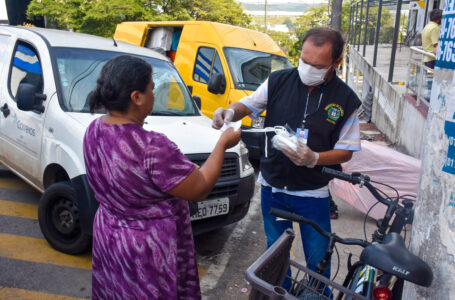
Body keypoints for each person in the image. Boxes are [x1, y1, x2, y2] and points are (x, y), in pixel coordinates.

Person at [83, 55, 241, 299]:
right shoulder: (151, 147)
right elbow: (199, 188)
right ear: (136, 97)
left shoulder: (94, 129)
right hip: (146, 247)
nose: (154, 96)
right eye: (151, 90)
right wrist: (222, 143)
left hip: (109, 235)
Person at [212, 27, 361, 279]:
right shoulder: (279, 80)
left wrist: (314, 158)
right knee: (276, 257)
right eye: (304, 61)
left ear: (336, 63)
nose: (308, 68)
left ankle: (315, 297)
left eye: (317, 65)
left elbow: (345, 151)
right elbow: (248, 104)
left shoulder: (346, 99)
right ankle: (281, 293)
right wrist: (229, 112)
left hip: (312, 194)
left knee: (317, 262)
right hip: (273, 187)